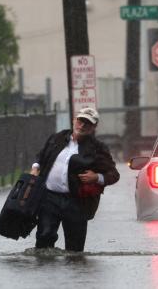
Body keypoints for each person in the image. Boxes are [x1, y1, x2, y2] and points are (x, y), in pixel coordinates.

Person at [31, 107, 120, 252]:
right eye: (80, 120)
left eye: (88, 123)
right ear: (74, 120)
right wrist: (35, 168)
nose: (82, 125)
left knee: (75, 249)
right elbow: (41, 156)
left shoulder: (97, 148)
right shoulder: (57, 138)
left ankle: (76, 272)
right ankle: (44, 270)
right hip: (49, 198)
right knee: (44, 237)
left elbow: (114, 174)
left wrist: (97, 177)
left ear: (94, 127)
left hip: (77, 203)